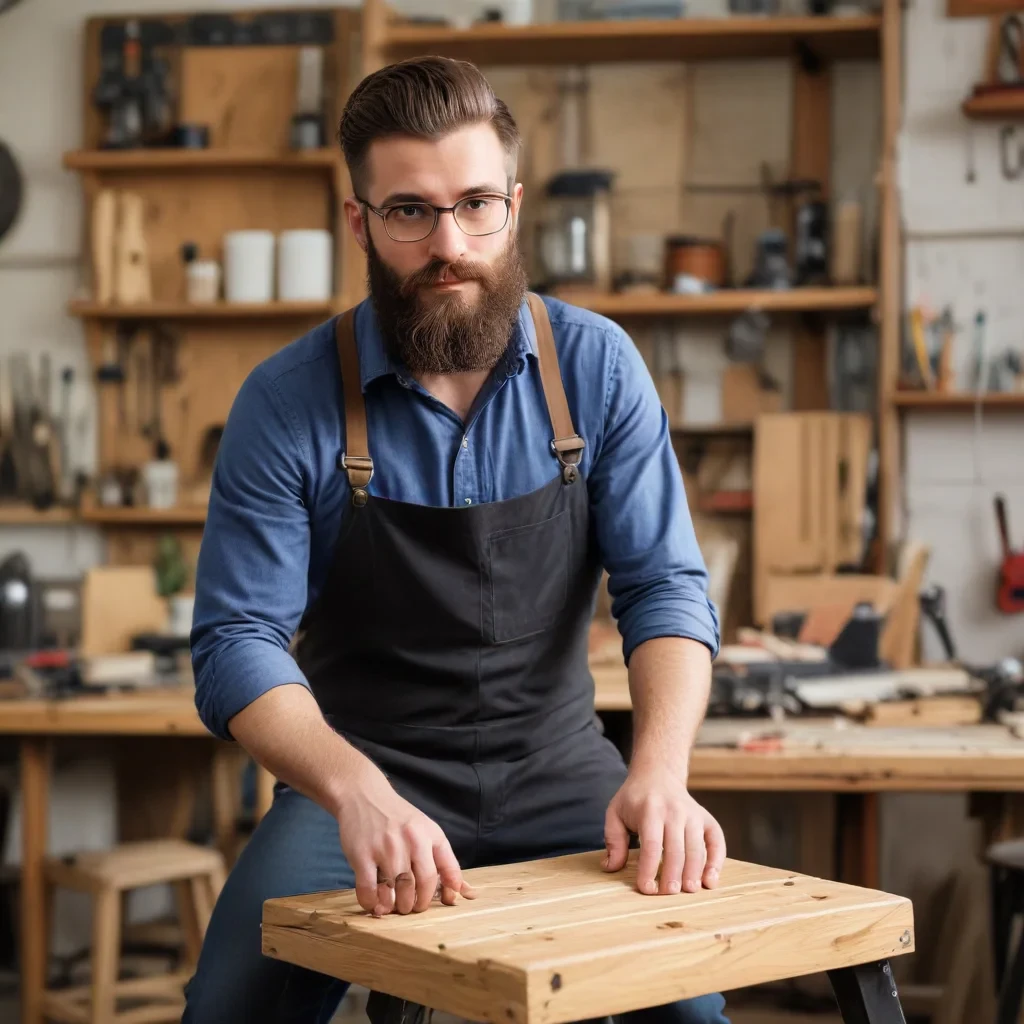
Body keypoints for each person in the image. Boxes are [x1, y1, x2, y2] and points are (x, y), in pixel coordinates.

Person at [182, 55, 729, 1024]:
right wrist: (353, 789)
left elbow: (666, 588)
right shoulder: (287, 399)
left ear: (512, 206)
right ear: (359, 221)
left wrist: (660, 775)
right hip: (362, 770)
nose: (450, 244)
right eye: (409, 212)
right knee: (233, 1007)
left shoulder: (596, 368)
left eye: (476, 205)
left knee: (683, 1010)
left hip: (560, 770)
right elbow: (235, 646)